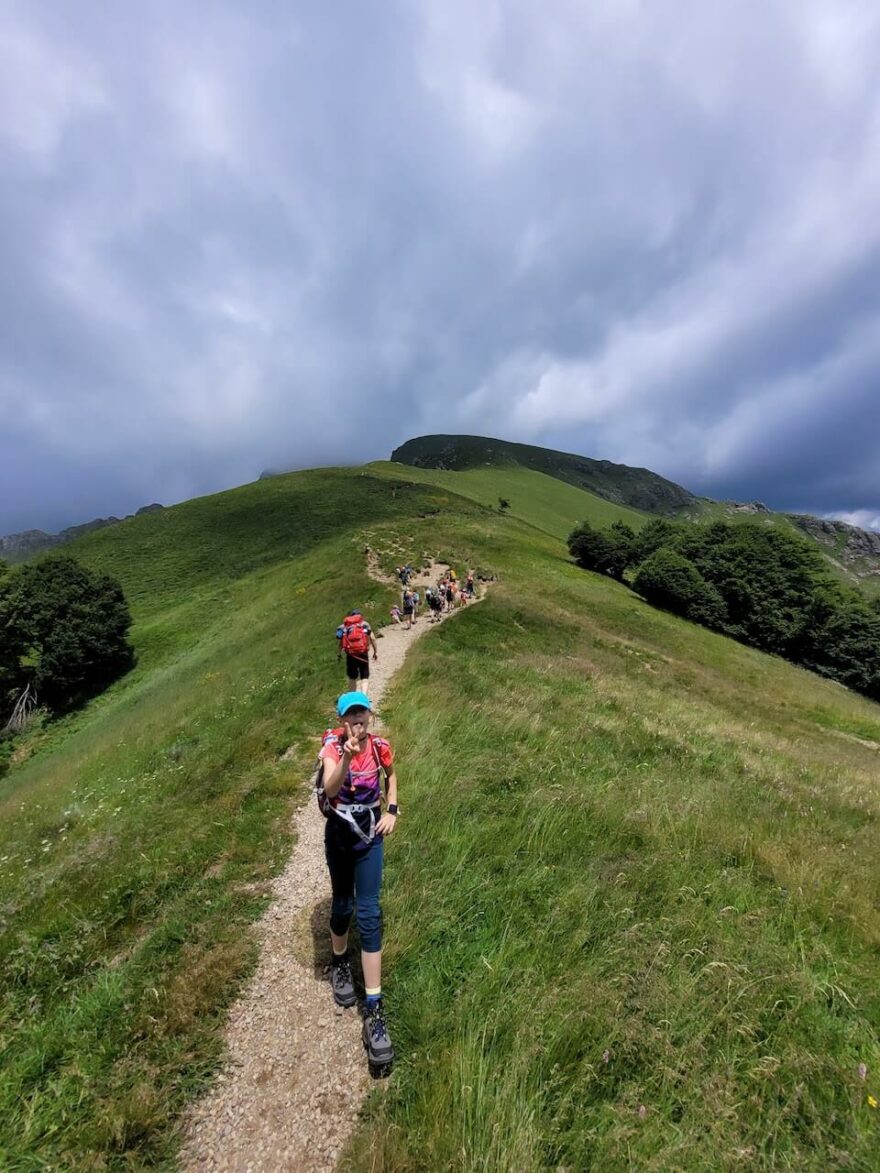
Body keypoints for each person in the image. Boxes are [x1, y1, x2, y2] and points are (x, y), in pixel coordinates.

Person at [320, 691, 397, 1074]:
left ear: (369, 714)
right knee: (342, 906)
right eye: (350, 715)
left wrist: (394, 810)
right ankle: (338, 962)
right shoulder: (333, 747)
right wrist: (349, 756)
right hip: (339, 834)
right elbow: (331, 789)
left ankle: (375, 1008)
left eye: (361, 713)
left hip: (370, 837)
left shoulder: (381, 745)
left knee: (369, 914)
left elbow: (391, 775)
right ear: (342, 719)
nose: (357, 720)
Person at [336, 610, 378, 692]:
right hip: (363, 653)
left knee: (352, 677)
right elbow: (373, 638)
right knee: (364, 676)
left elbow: (340, 643)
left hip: (350, 655)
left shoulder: (344, 626)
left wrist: (339, 654)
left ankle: (353, 697)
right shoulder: (365, 624)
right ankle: (363, 696)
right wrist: (375, 652)